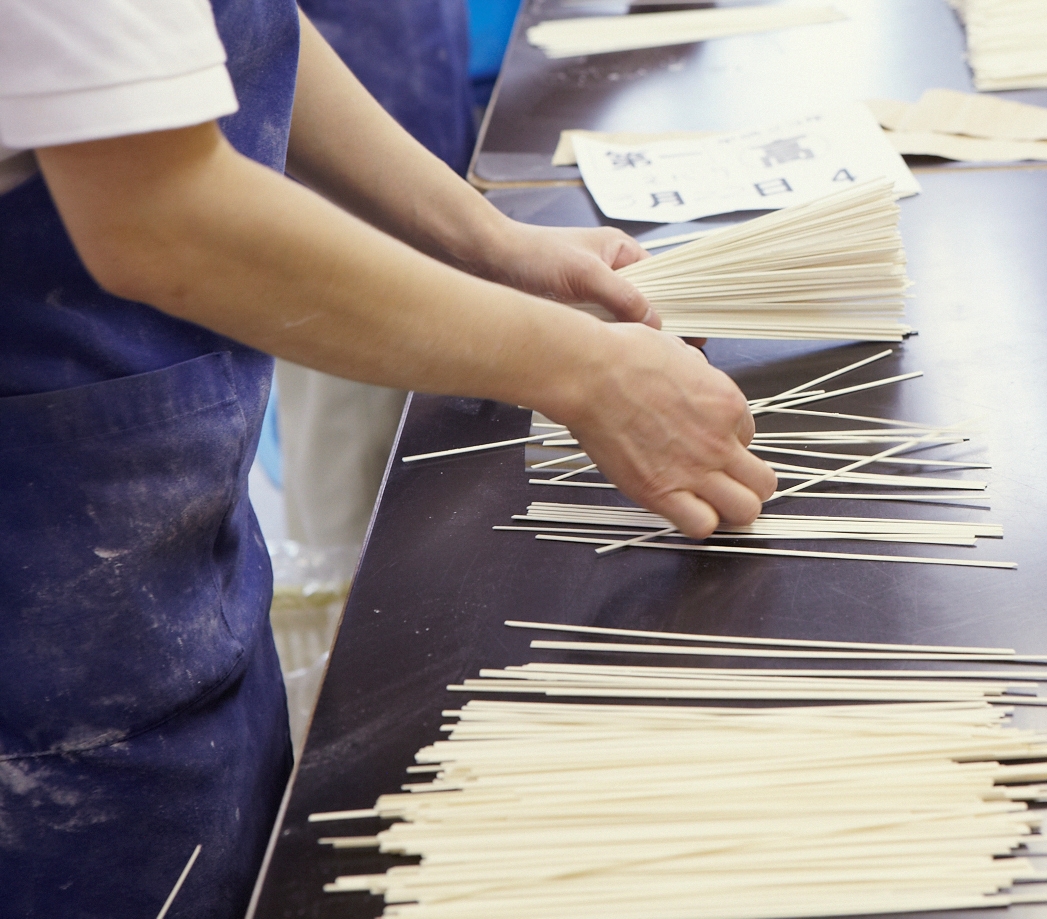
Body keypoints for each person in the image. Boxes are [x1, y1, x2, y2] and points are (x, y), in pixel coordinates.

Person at [0, 2, 776, 916]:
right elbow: (159, 215)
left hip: (140, 542)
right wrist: (585, 371)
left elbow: (234, 26)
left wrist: (485, 241)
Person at [276, 0, 477, 551]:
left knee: (416, 484)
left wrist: (490, 241)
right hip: (316, 218)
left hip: (417, 149)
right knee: (352, 500)